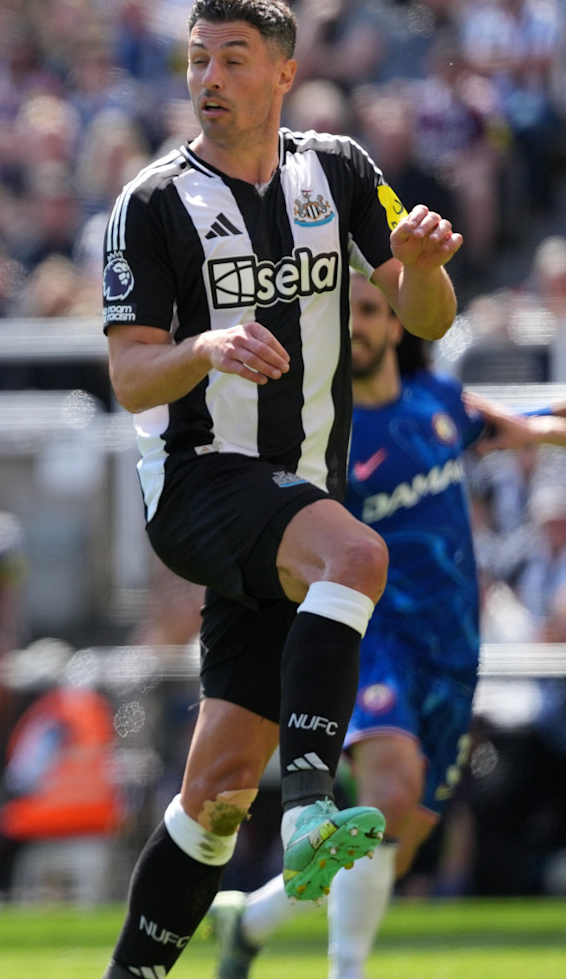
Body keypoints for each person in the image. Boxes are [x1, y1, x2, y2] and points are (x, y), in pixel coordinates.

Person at [99, 0, 462, 979]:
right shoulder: (151, 202)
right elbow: (129, 372)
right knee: (357, 549)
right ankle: (307, 802)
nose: (208, 78)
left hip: (290, 502)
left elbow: (424, 316)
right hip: (200, 482)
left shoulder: (336, 171)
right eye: (197, 59)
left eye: (231, 59)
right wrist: (205, 346)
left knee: (213, 791)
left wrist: (422, 265)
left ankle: (130, 972)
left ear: (282, 72)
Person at [208, 271, 566, 978]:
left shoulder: (439, 404)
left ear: (396, 324)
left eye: (370, 312)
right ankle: (347, 972)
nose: (358, 327)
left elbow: (525, 425)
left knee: (393, 838)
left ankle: (251, 922)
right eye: (347, 315)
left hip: (454, 648)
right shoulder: (320, 437)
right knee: (389, 796)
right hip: (371, 642)